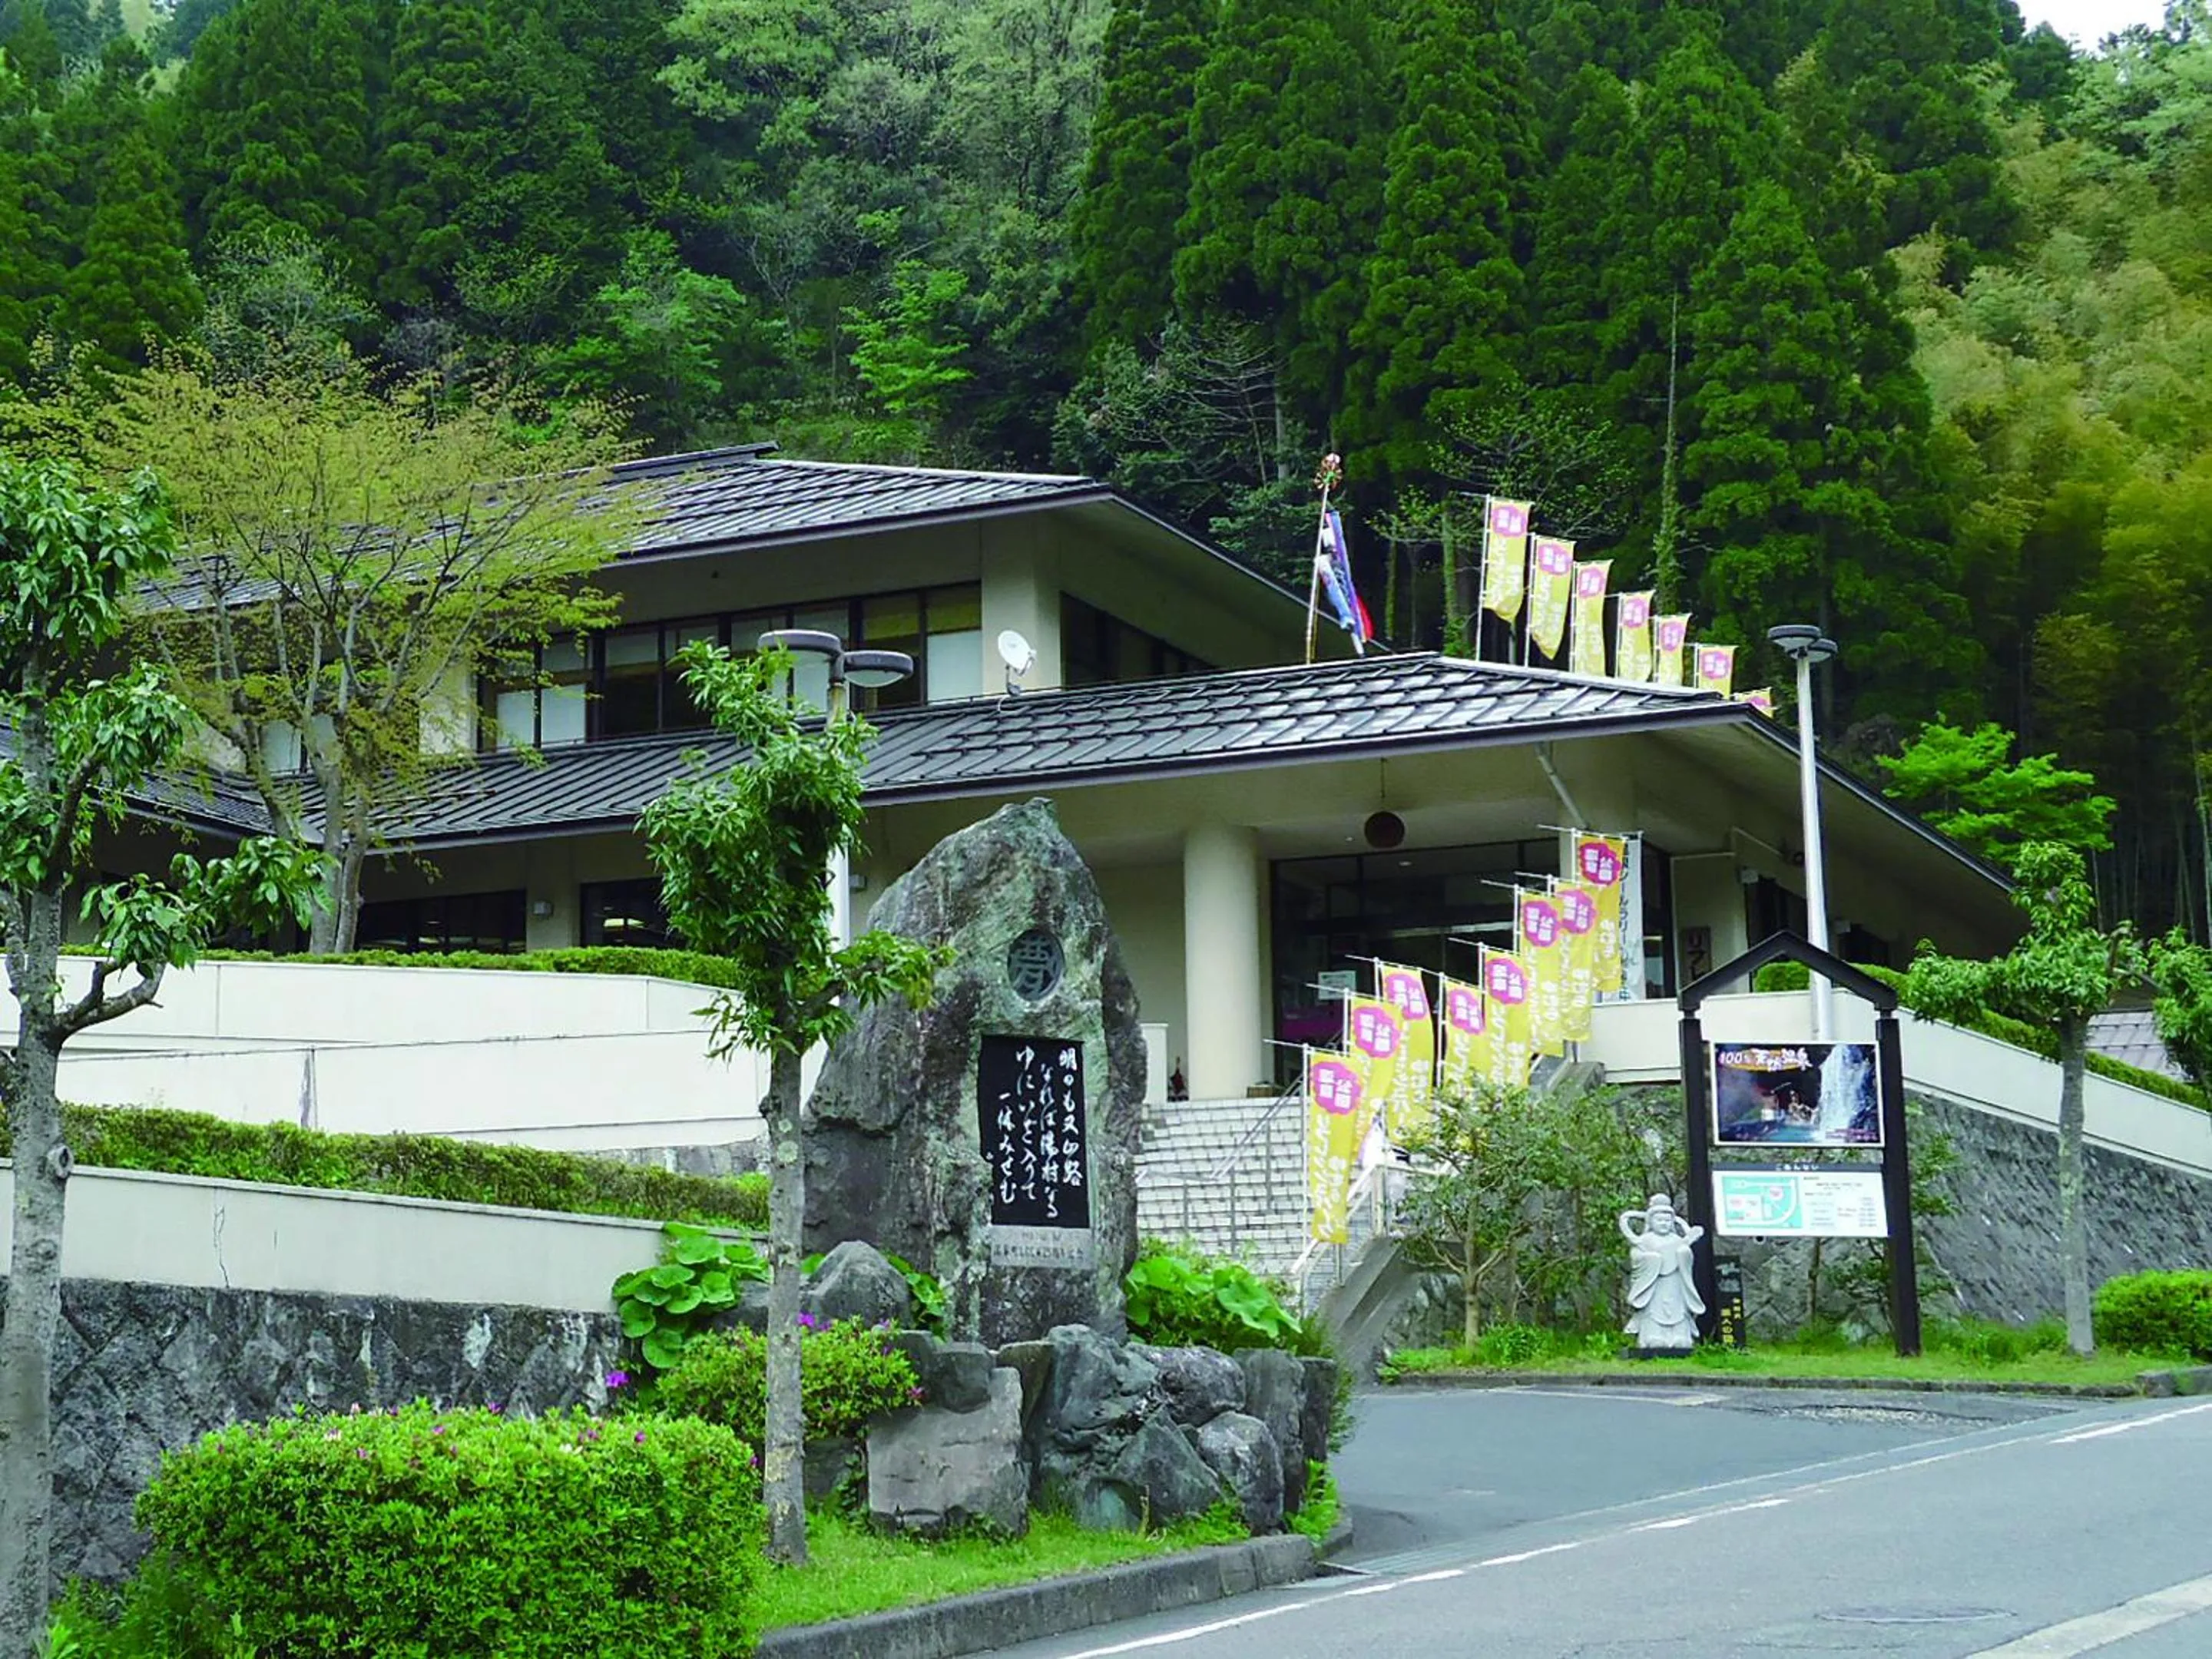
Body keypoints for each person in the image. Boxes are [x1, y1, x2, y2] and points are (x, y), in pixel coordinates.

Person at [1621, 1194, 1705, 1352]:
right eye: (1659, 1220)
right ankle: (1653, 1336)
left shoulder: (1676, 1239)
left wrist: (1683, 1254)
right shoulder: (1646, 1240)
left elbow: (1685, 1255)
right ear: (1651, 1221)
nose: (1664, 1224)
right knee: (1653, 1311)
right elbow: (1636, 1257)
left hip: (1676, 1284)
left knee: (1678, 1310)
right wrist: (1651, 1260)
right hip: (1653, 1284)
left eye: (1667, 1221)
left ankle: (1680, 1336)